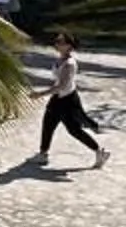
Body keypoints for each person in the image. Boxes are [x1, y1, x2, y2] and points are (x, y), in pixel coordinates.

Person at [38, 37, 105, 166]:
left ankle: (99, 151)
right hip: (58, 98)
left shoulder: (69, 64)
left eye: (60, 42)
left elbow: (62, 85)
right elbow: (58, 82)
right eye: (56, 41)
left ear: (69, 46)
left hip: (67, 100)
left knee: (74, 130)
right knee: (48, 123)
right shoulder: (60, 59)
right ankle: (43, 153)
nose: (57, 44)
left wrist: (40, 94)